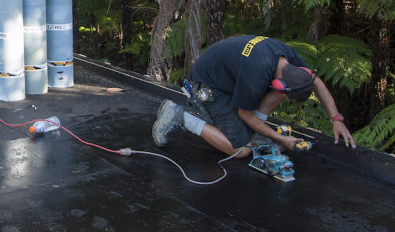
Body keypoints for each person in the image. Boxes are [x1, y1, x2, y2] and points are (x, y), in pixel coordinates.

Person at [152, 35, 355, 157]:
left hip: (230, 76)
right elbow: (245, 114)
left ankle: (255, 131)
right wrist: (278, 138)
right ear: (279, 84)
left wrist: (335, 119)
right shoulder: (256, 74)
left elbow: (315, 81)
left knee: (277, 99)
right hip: (208, 85)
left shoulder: (289, 59)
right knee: (242, 150)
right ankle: (180, 115)